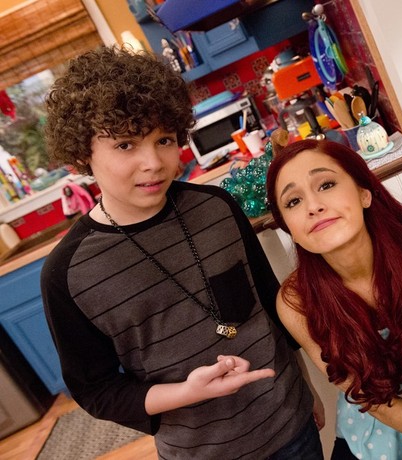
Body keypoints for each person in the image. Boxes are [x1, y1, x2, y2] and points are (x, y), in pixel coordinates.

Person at [40, 46, 324, 459]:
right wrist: (186, 392)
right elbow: (97, 392)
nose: (153, 162)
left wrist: (308, 386)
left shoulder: (217, 207)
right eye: (125, 145)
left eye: (164, 140)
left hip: (291, 424)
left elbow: (270, 305)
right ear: (83, 152)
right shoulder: (67, 273)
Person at [265, 139, 402, 460]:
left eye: (326, 185)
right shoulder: (295, 303)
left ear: (364, 193)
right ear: (290, 229)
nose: (313, 206)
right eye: (294, 201)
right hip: (372, 423)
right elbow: (374, 401)